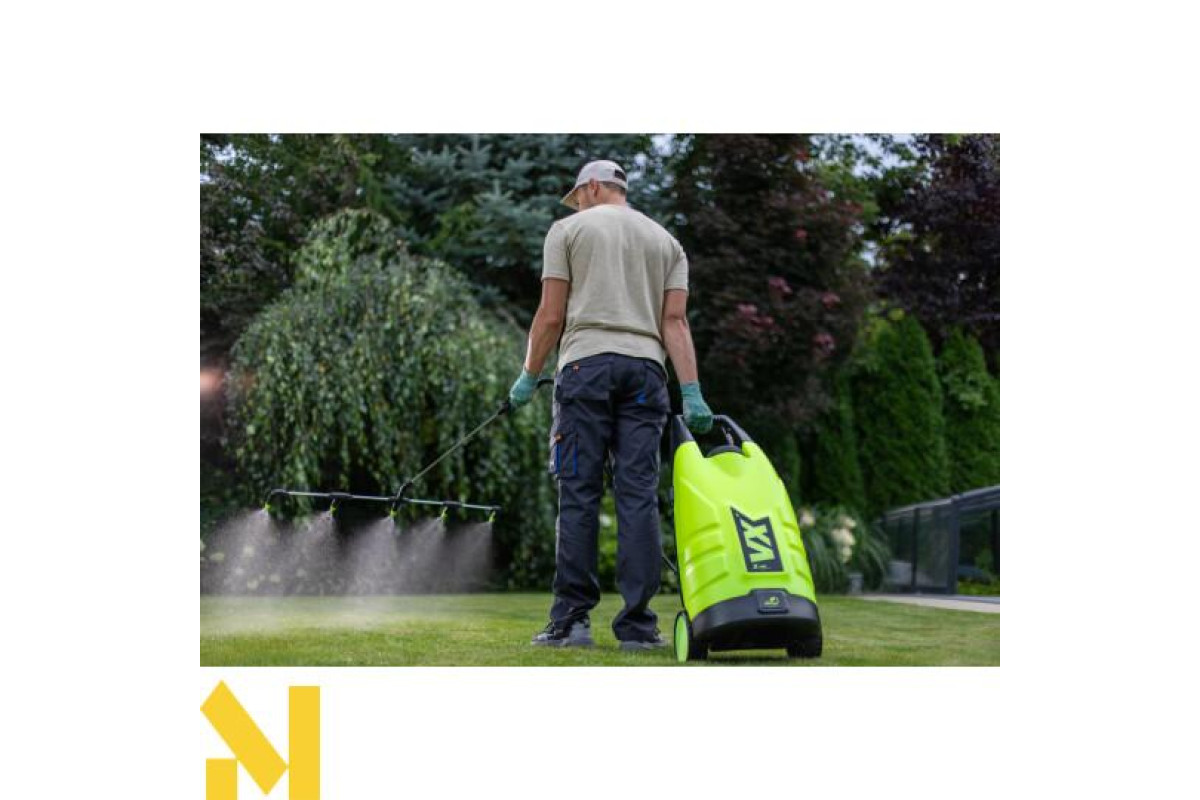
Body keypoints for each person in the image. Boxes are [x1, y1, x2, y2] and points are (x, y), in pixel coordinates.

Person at [507, 159, 714, 650]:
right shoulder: (667, 242)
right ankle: (639, 628)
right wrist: (691, 391)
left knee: (579, 493)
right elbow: (675, 322)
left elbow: (551, 314)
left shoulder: (567, 231)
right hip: (646, 374)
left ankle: (571, 623)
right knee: (637, 495)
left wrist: (529, 374)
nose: (577, 204)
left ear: (594, 187)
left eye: (578, 195)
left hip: (586, 369)